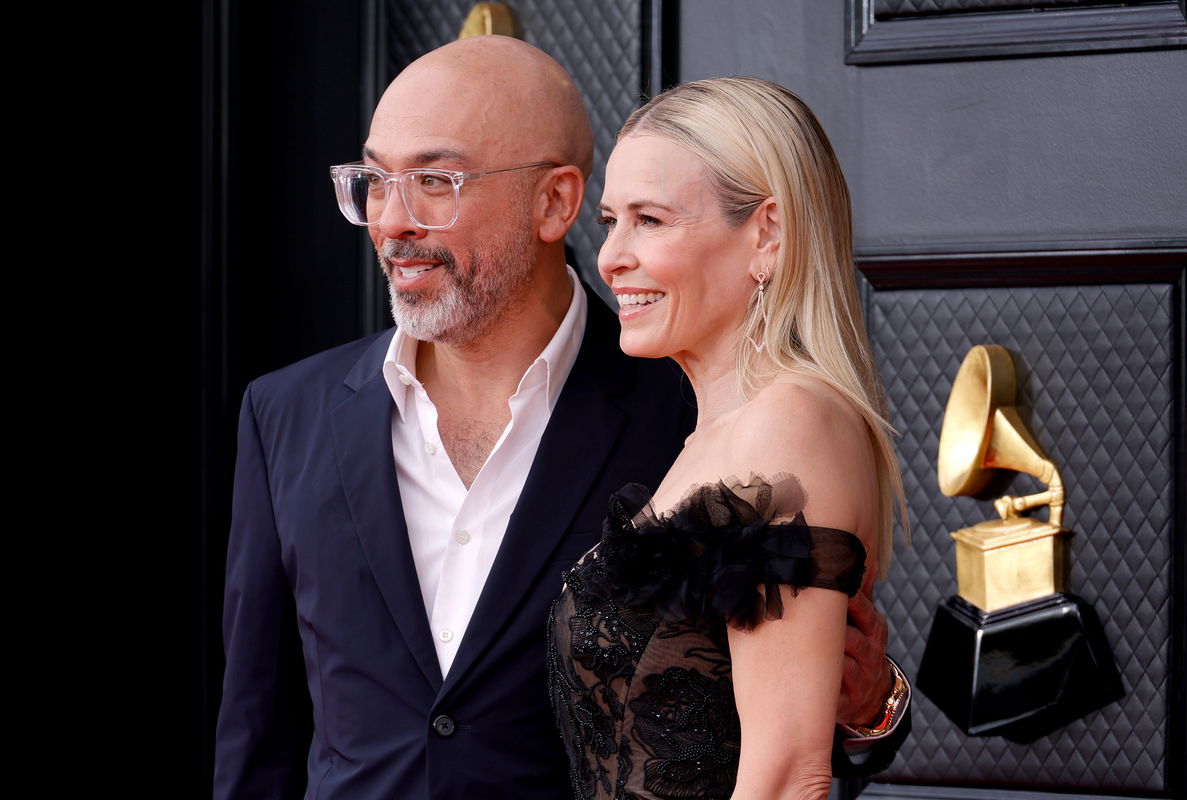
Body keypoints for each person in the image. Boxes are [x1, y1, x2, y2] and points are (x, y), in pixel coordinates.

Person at [214, 37, 908, 800]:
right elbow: (258, 729)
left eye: (435, 181)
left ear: (553, 202)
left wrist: (874, 707)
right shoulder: (285, 414)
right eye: (376, 180)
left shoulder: (687, 412)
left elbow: (785, 740)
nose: (392, 220)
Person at [548, 76, 909, 800]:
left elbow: (784, 776)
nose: (610, 257)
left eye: (649, 219)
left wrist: (877, 708)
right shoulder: (712, 436)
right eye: (611, 220)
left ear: (767, 234)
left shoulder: (791, 422)